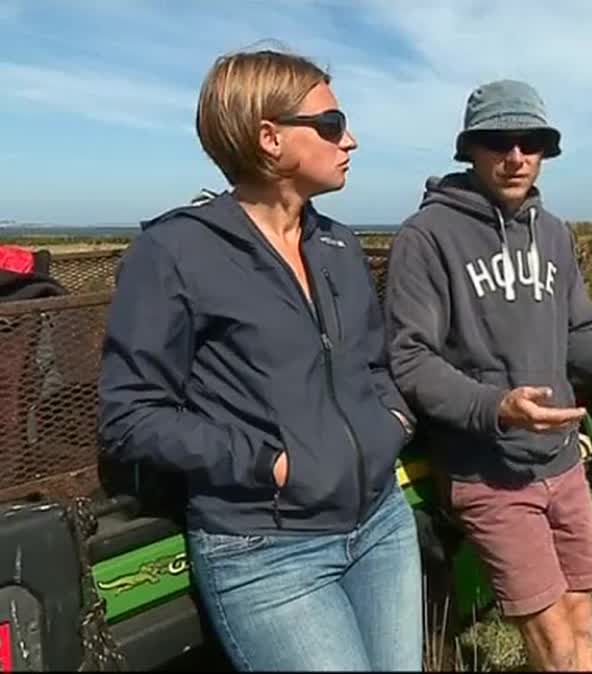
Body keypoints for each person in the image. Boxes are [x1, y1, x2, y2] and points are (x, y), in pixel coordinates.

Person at [97, 48, 424, 671]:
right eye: (330, 124)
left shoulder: (338, 243)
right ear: (270, 138)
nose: (348, 139)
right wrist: (268, 464)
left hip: (382, 525)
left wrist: (392, 425)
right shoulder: (173, 253)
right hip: (267, 551)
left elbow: (373, 366)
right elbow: (130, 416)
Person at [384, 79, 592, 671]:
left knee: (579, 620)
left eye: (533, 142)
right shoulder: (427, 238)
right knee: (554, 643)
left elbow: (577, 338)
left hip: (561, 464)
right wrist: (495, 406)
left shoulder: (553, 234)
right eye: (498, 141)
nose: (516, 156)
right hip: (488, 471)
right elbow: (411, 358)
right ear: (469, 149)